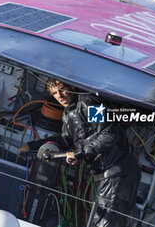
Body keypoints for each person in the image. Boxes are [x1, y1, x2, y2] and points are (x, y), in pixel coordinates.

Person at [18, 78, 141, 227]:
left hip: (117, 172)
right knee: (105, 221)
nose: (60, 96)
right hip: (107, 175)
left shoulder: (90, 102)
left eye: (62, 89)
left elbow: (109, 134)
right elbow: (64, 141)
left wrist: (80, 152)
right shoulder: (68, 113)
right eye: (55, 93)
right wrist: (31, 147)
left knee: (106, 223)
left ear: (72, 87)